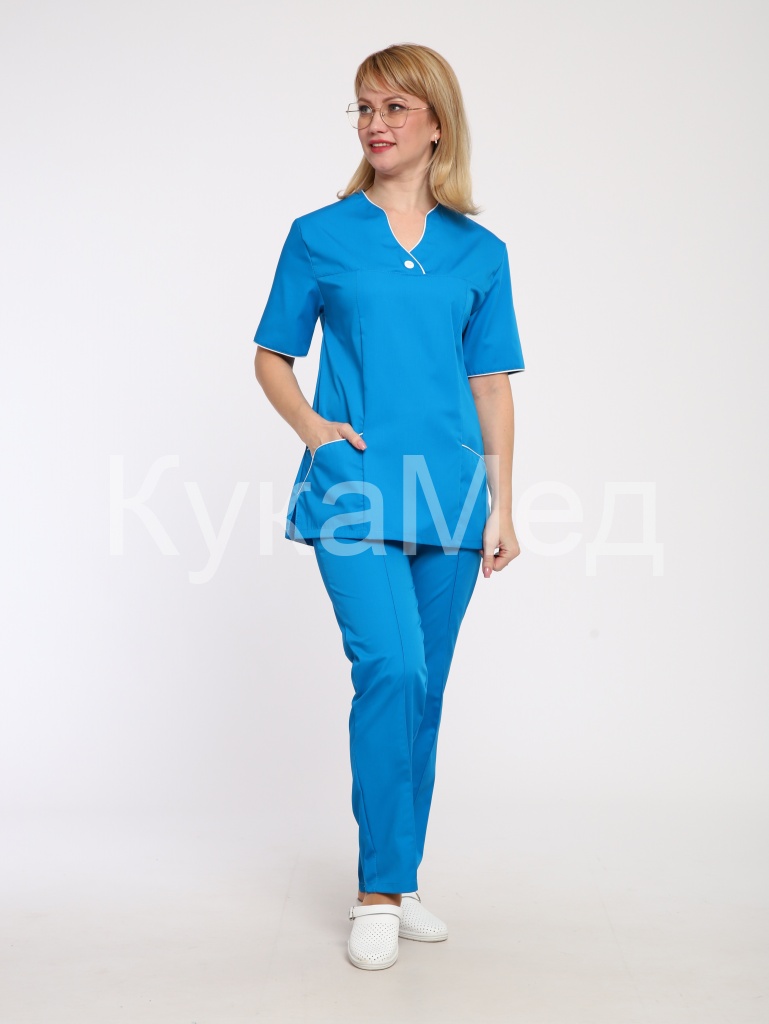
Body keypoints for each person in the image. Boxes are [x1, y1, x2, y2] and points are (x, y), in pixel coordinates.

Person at [252, 43, 525, 970]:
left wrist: (501, 504)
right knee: (391, 669)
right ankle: (376, 891)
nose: (375, 123)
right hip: (353, 489)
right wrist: (314, 430)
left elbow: (490, 385)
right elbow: (271, 357)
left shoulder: (478, 251)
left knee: (425, 692)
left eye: (395, 107)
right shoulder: (319, 234)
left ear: (437, 124)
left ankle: (400, 878)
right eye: (363, 107)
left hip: (452, 497)